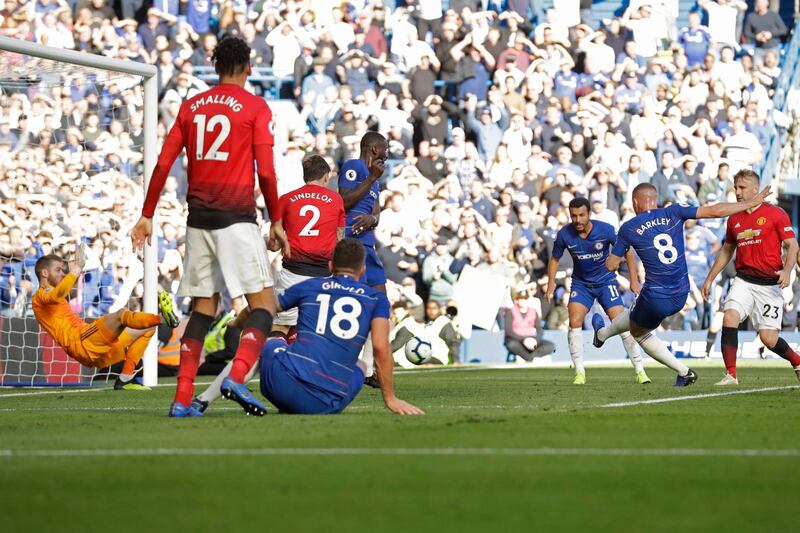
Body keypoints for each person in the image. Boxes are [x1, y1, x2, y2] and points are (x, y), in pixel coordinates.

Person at [130, 36, 283, 417]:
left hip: (198, 219)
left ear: (214, 68)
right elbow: (265, 170)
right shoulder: (255, 107)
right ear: (248, 68)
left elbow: (163, 164)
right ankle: (238, 374)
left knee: (202, 309)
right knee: (264, 305)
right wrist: (277, 218)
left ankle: (182, 400)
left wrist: (147, 214)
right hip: (237, 218)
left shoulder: (190, 106)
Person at [190, 155, 345, 413]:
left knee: (265, 339)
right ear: (327, 176)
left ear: (304, 175)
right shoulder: (336, 200)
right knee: (311, 343)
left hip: (291, 277)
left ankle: (205, 398)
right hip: (322, 282)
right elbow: (339, 242)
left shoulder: (286, 200)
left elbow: (274, 244)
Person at [592, 182, 771, 386]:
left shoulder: (628, 228)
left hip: (656, 296)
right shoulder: (674, 212)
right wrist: (749, 203)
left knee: (638, 332)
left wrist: (610, 257)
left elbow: (611, 265)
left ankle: (684, 372)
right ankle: (602, 334)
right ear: (655, 198)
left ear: (635, 202)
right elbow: (715, 211)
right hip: (681, 294)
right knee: (634, 313)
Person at [258, 239, 425, 415]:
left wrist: (238, 323)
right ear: (362, 270)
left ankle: (240, 377)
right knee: (360, 365)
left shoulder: (311, 286)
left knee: (273, 343)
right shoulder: (375, 298)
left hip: (278, 389)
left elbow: (265, 307)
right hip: (321, 405)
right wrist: (390, 398)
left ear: (330, 266)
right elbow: (380, 346)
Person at [701, 169, 800, 385]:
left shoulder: (776, 213)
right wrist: (709, 278)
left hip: (770, 284)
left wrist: (787, 270)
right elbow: (727, 251)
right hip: (743, 280)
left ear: (756, 189)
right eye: (735, 187)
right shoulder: (734, 218)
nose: (737, 192)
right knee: (729, 316)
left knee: (768, 339)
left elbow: (792, 245)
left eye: (742, 188)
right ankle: (731, 374)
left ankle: (797, 361)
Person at [32, 247, 177, 391]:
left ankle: (125, 379)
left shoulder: (53, 293)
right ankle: (163, 319)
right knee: (121, 315)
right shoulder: (40, 296)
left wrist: (74, 265)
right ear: (44, 273)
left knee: (146, 329)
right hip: (82, 341)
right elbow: (57, 294)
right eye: (58, 270)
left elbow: (63, 290)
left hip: (94, 349)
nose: (62, 274)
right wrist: (77, 268)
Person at [546, 197, 649, 385]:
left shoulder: (606, 230)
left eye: (581, 215)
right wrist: (551, 282)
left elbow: (628, 251)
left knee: (622, 325)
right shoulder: (564, 234)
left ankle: (640, 371)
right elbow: (554, 258)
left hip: (606, 281)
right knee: (574, 321)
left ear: (589, 214)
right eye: (573, 216)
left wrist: (634, 280)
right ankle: (579, 372)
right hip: (581, 284)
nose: (577, 220)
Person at [337, 131, 389, 388]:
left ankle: (368, 368)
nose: (387, 153)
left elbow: (375, 210)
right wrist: (370, 178)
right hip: (352, 245)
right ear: (374, 148)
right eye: (385, 148)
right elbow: (344, 202)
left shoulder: (376, 178)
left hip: (369, 245)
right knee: (356, 304)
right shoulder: (354, 167)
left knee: (380, 302)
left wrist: (373, 219)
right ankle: (345, 365)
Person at [505, 289, 555, 362]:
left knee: (550, 346)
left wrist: (535, 340)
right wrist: (523, 339)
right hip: (516, 339)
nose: (523, 301)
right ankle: (531, 358)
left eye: (525, 298)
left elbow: (539, 329)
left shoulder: (533, 311)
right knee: (511, 344)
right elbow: (508, 330)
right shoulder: (510, 311)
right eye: (520, 298)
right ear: (517, 300)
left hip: (532, 340)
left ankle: (529, 358)